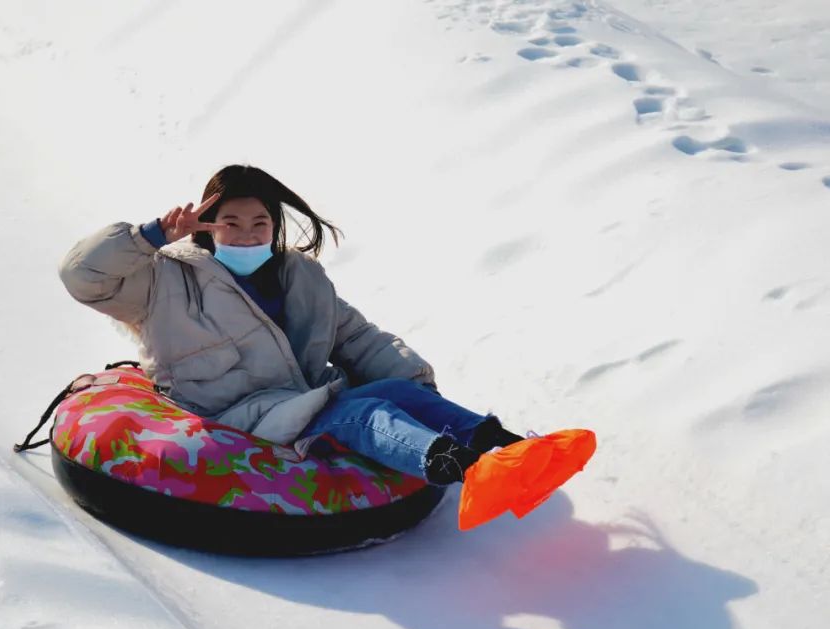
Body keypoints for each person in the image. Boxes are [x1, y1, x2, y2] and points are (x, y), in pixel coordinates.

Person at [59, 164, 593, 528]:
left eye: (259, 222)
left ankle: (507, 448)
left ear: (274, 225)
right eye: (231, 222)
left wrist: (415, 382)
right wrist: (151, 234)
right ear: (206, 226)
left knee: (392, 389)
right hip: (229, 413)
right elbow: (81, 276)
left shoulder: (300, 277)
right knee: (362, 412)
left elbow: (354, 336)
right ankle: (472, 472)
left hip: (299, 399)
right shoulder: (162, 281)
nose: (246, 234)